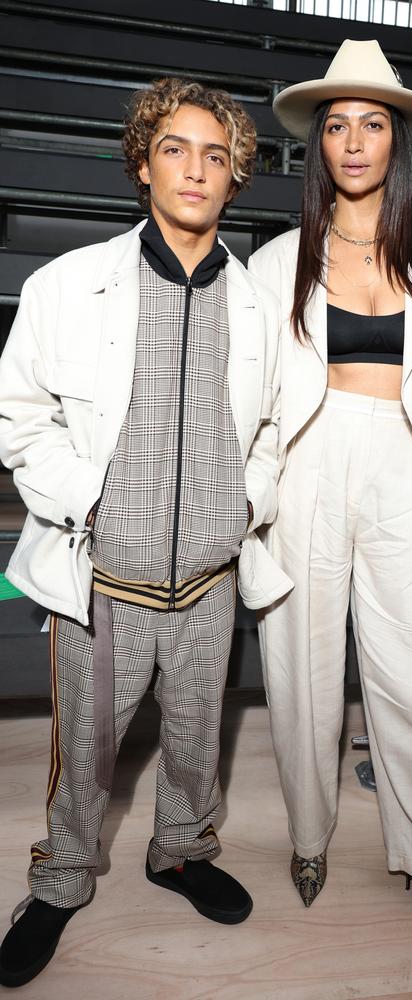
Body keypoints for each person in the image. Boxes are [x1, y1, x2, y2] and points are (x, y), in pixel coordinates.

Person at [0, 77, 290, 988]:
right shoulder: (68, 285)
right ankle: (62, 878)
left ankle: (180, 850)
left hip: (209, 582)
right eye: (176, 148)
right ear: (142, 162)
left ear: (235, 176)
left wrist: (246, 507)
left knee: (198, 739)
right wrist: (86, 501)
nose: (196, 169)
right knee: (85, 749)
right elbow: (20, 417)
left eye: (216, 154)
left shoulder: (260, 308)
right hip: (104, 584)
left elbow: (278, 426)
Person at [248, 39, 412, 946]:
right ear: (319, 145)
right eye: (338, 125)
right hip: (307, 469)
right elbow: (252, 398)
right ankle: (310, 837)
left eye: (372, 125)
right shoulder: (276, 263)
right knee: (301, 669)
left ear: (398, 142)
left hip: (410, 473)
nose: (354, 141)